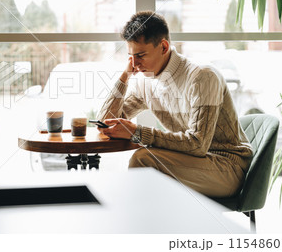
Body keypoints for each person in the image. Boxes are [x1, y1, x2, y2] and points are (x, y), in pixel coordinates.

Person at [97, 11, 253, 197]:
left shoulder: (202, 77)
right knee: (146, 162)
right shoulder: (146, 82)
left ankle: (142, 224)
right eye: (131, 56)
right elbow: (105, 122)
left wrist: (137, 132)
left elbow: (198, 144)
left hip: (226, 168)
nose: (135, 63)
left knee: (144, 159)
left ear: (163, 47)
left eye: (140, 55)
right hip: (191, 163)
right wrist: (124, 77)